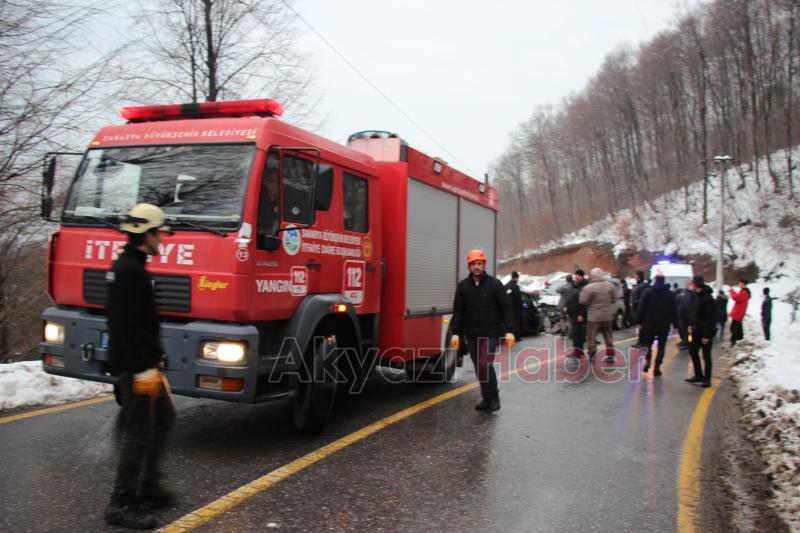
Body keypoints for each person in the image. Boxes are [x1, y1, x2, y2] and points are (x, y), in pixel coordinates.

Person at [104, 203, 176, 529]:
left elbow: (141, 324)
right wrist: (141, 367)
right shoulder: (129, 273)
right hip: (138, 368)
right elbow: (123, 328)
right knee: (138, 433)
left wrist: (156, 358)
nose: (162, 239)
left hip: (148, 364)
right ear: (146, 234)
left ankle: (147, 487)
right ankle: (121, 504)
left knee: (163, 417)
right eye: (159, 233)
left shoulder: (136, 268)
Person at [451, 248, 515, 412]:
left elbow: (506, 307)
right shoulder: (463, 286)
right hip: (471, 334)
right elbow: (458, 311)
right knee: (479, 367)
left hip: (489, 333)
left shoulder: (495, 284)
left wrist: (509, 330)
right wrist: (456, 333)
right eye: (474, 264)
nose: (477, 266)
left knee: (485, 364)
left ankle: (494, 397)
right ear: (469, 266)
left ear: (484, 264)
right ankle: (486, 399)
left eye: (479, 263)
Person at [636, 275, 677, 376]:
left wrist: (639, 321)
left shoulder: (648, 292)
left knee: (648, 344)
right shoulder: (670, 294)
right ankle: (657, 367)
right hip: (664, 325)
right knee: (661, 347)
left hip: (649, 324)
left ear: (655, 281)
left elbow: (641, 308)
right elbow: (674, 311)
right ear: (664, 281)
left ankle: (648, 359)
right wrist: (676, 324)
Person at [685, 275, 717, 387]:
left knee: (706, 355)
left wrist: (707, 335)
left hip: (705, 332)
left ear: (695, 284)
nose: (690, 285)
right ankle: (698, 374)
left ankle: (707, 378)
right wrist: (690, 324)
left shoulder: (708, 299)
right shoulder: (696, 296)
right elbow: (694, 313)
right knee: (693, 351)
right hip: (695, 330)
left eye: (692, 283)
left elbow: (711, 318)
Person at [579, 267, 616, 362]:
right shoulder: (610, 285)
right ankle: (610, 354)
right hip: (607, 316)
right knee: (608, 336)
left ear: (592, 276)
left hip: (594, 317)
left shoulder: (589, 287)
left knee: (591, 337)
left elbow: (583, 301)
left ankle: (592, 353)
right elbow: (613, 299)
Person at [565, 269, 588, 357]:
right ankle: (578, 350)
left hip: (579, 314)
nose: (576, 277)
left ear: (582, 277)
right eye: (576, 276)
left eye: (579, 276)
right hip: (573, 313)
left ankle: (578, 351)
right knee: (575, 333)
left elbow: (585, 303)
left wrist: (582, 314)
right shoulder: (576, 286)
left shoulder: (584, 287)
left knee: (577, 333)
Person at [729, 279, 751, 346]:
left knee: (733, 328)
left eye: (740, 283)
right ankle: (739, 339)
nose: (739, 284)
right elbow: (737, 296)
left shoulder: (745, 293)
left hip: (739, 313)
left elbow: (735, 297)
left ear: (743, 284)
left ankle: (733, 342)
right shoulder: (743, 292)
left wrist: (731, 291)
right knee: (737, 328)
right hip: (739, 313)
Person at [631, 271, 650, 348]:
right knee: (642, 326)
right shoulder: (643, 285)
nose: (635, 277)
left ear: (638, 276)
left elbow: (642, 298)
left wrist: (635, 302)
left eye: (635, 275)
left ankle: (641, 341)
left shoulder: (641, 286)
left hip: (640, 308)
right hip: (642, 309)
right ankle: (643, 341)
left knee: (641, 325)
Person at [675, 280, 695, 350]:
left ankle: (689, 343)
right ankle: (686, 342)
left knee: (689, 332)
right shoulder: (683, 293)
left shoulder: (692, 294)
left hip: (689, 317)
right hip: (682, 317)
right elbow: (678, 303)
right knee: (683, 331)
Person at [504, 271, 523, 339]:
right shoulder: (516, 287)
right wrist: (520, 308)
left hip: (506, 308)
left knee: (508, 323)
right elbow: (518, 299)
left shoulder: (506, 285)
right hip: (515, 309)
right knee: (516, 323)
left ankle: (508, 337)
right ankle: (516, 337)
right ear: (516, 278)